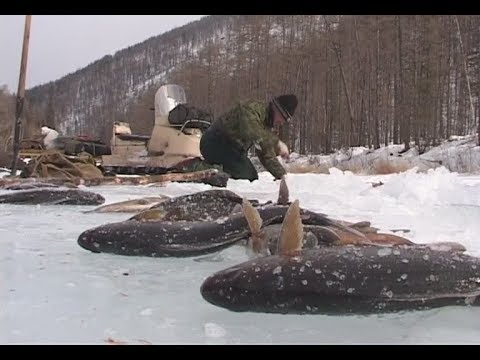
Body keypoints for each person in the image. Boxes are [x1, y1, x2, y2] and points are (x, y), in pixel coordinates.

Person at [199, 94, 298, 181]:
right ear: (277, 109)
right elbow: (252, 132)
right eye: (283, 117)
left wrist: (282, 176)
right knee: (244, 176)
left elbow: (266, 154)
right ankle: (196, 167)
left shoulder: (266, 125)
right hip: (214, 142)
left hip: (232, 150)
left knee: (251, 177)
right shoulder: (251, 110)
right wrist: (277, 144)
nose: (282, 123)